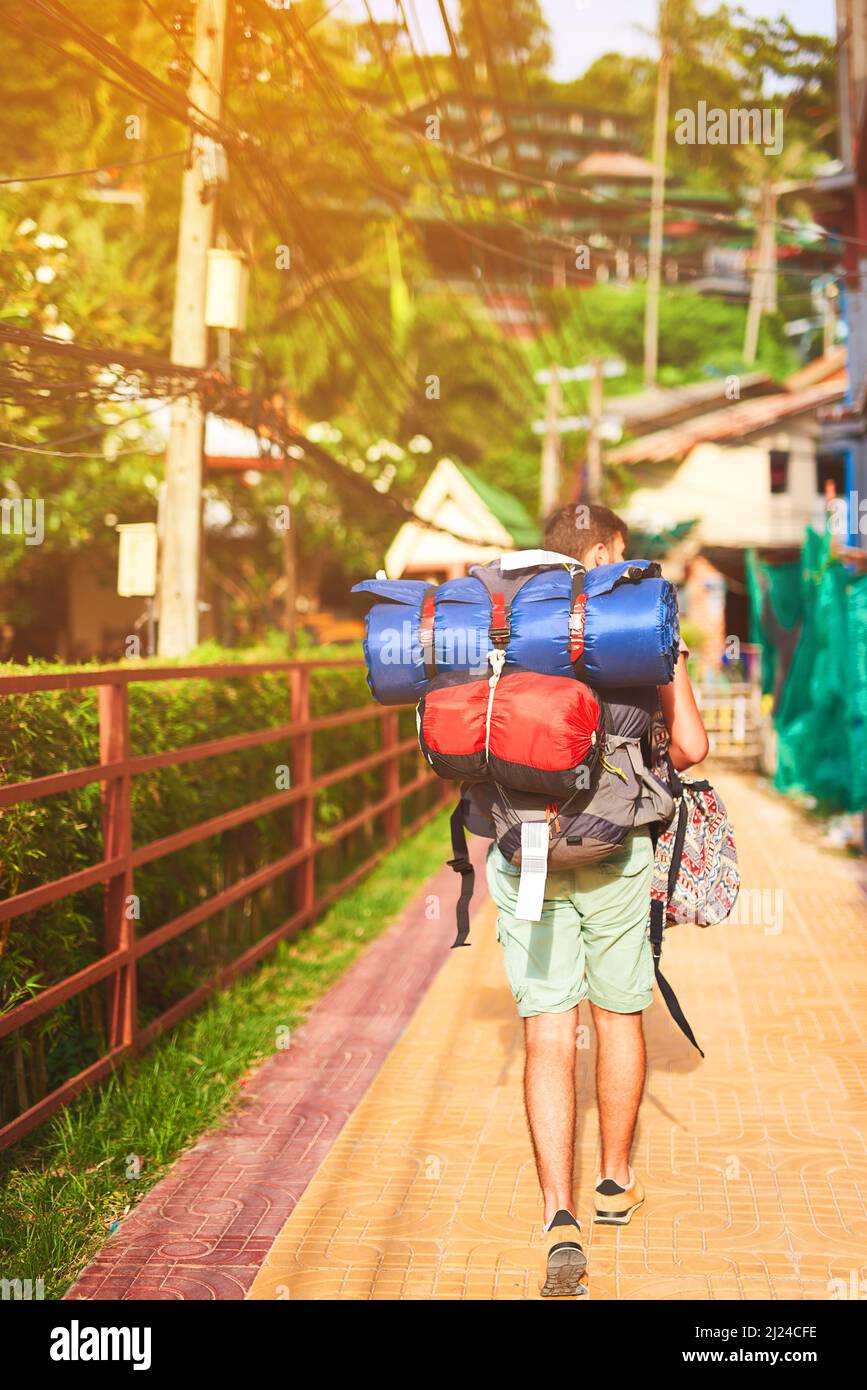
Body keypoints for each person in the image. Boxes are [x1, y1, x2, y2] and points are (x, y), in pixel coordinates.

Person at [484, 503, 709, 1298]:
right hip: (616, 850)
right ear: (608, 551)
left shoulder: (505, 621)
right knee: (618, 1016)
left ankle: (558, 1215)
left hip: (525, 845)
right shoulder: (636, 620)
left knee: (548, 1033)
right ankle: (613, 1183)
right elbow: (690, 747)